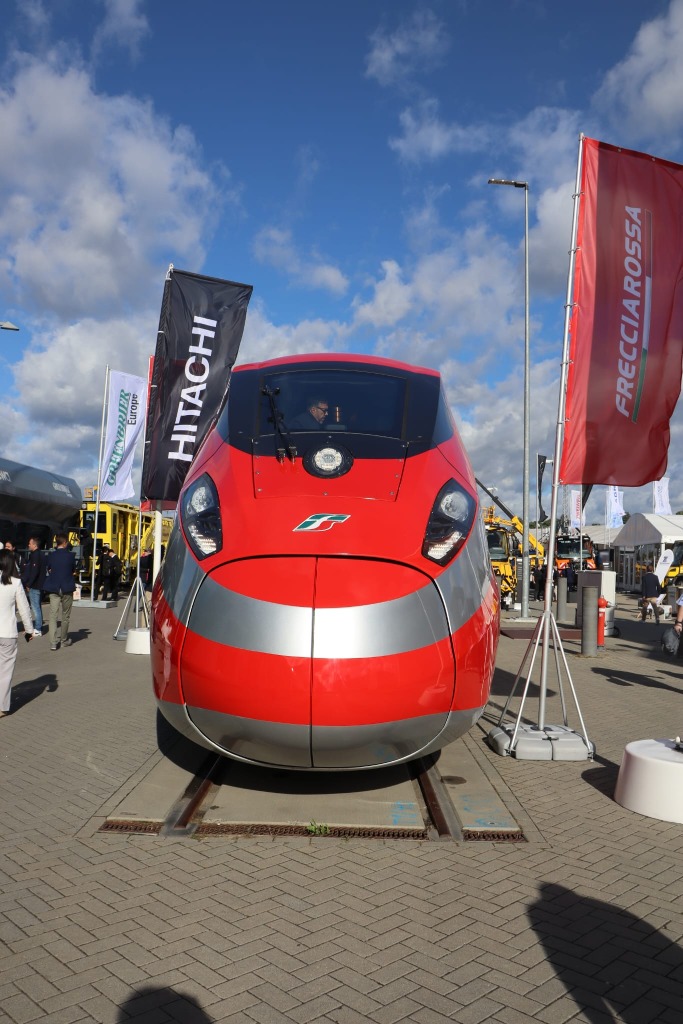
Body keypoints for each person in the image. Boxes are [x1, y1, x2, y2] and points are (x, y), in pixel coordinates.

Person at [0, 548, 34, 717]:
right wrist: (29, 630)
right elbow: (24, 609)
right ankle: (2, 707)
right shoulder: (15, 582)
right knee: (5, 671)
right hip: (7, 633)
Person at [44, 533, 77, 650]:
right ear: (65, 542)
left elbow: (48, 568)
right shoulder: (71, 556)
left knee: (53, 615)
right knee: (65, 615)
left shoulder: (51, 555)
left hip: (54, 587)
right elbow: (73, 569)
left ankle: (53, 642)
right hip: (67, 588)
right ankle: (63, 640)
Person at [21, 535, 46, 637]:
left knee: (35, 607)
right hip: (39, 584)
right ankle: (38, 627)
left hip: (35, 585)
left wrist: (29, 584)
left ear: (34, 545)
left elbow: (34, 572)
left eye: (30, 543)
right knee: (38, 607)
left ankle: (38, 629)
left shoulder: (35, 555)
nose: (28, 545)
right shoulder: (41, 554)